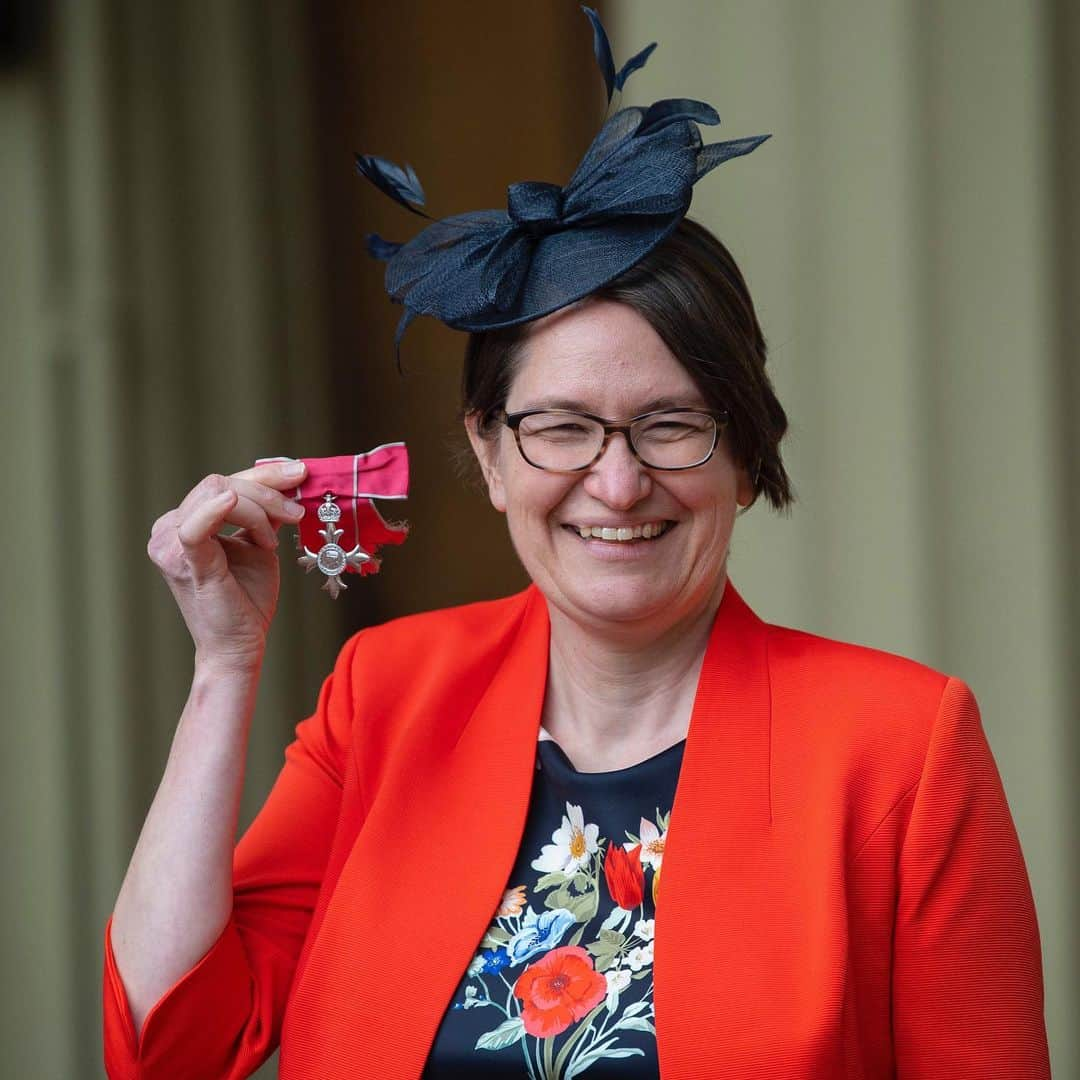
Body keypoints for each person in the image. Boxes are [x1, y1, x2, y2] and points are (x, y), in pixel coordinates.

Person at [103, 11, 1051, 1080]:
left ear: (745, 453)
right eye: (561, 427)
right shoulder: (387, 697)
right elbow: (170, 1041)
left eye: (671, 422)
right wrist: (224, 668)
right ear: (492, 455)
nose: (616, 479)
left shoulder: (899, 748)